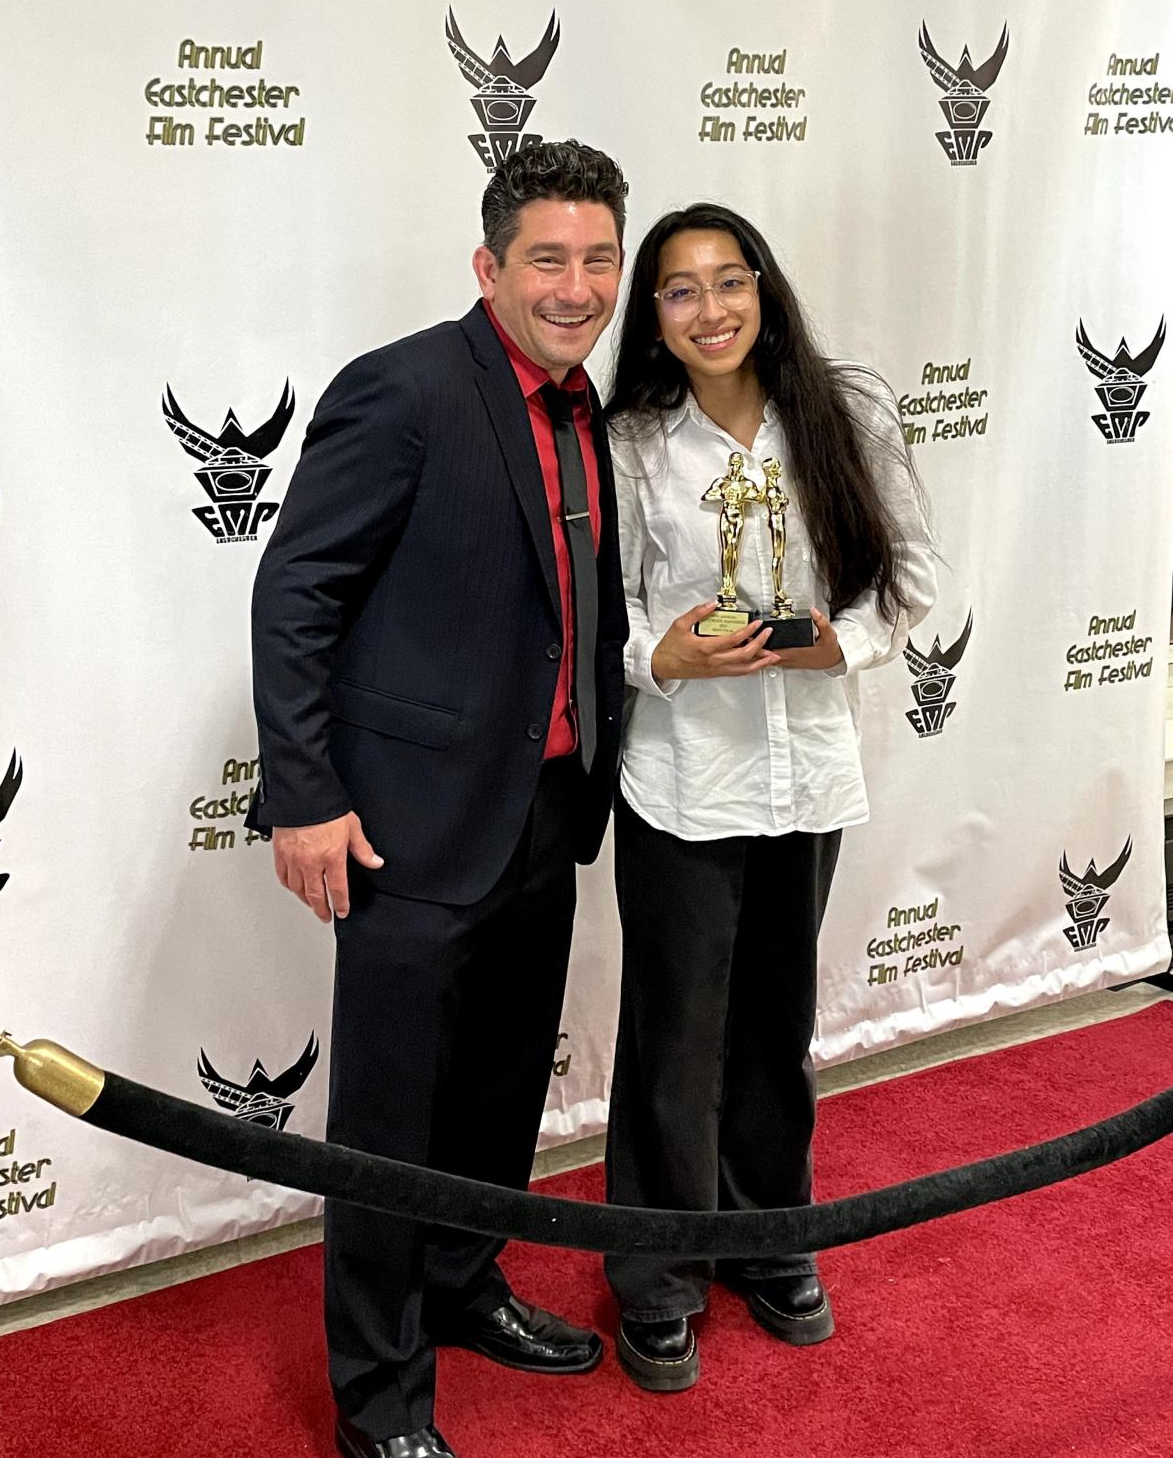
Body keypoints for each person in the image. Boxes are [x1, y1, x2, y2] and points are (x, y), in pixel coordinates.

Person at [245, 140, 630, 1458]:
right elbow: (296, 593)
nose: (574, 286)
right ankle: (379, 1399)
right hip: (406, 827)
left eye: (596, 258)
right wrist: (300, 795)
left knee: (497, 1094)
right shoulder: (402, 391)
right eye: (546, 259)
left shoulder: (590, 406)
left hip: (545, 814)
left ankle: (465, 1286)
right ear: (489, 265)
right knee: (387, 1126)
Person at [601, 202, 936, 1392]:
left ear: (765, 287)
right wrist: (664, 658)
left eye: (727, 281)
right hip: (684, 778)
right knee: (673, 1039)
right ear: (654, 317)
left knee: (776, 1029)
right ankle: (657, 1269)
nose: (709, 309)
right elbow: (614, 618)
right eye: (679, 291)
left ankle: (768, 1237)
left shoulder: (846, 415)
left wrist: (822, 641)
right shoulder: (635, 441)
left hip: (806, 773)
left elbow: (909, 586)